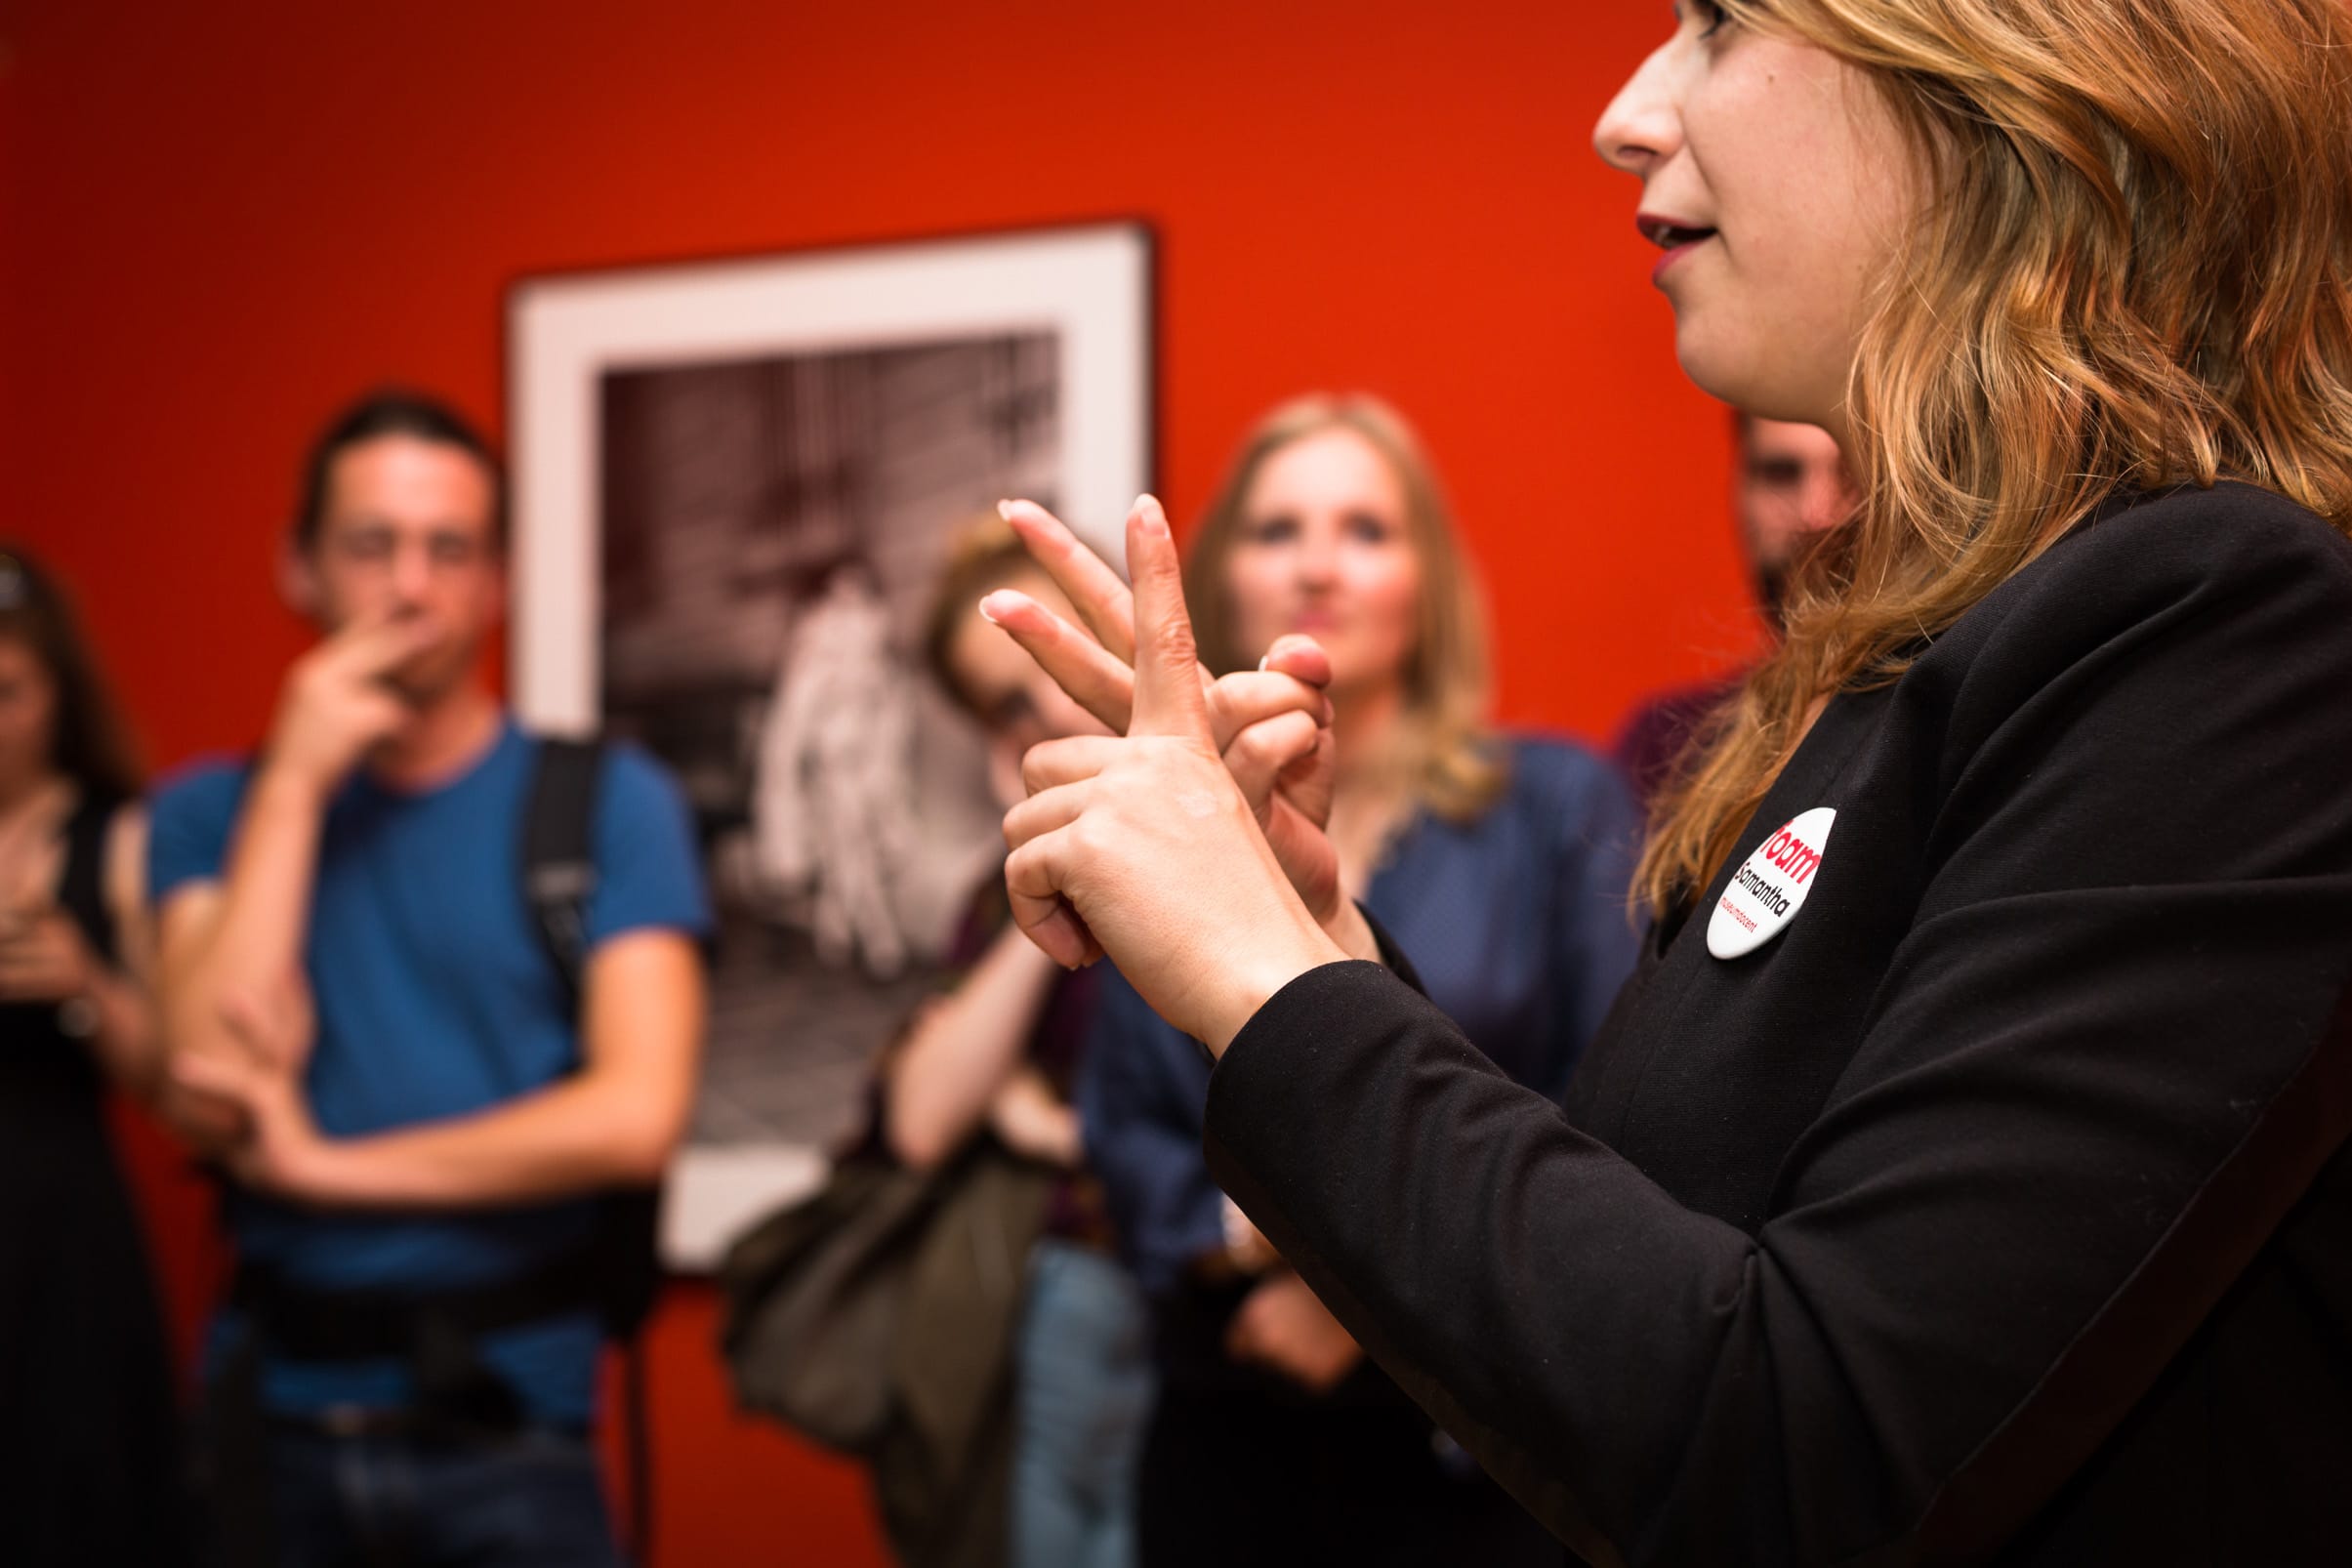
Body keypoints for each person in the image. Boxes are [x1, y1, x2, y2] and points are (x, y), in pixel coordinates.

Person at [979, 0, 2352, 1561]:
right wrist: (1321, 949)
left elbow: (1798, 1450)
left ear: (2005, 82)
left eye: (1718, 22)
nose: (1626, 111)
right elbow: (1638, 1282)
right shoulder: (1909, 657)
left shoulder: (2214, 620)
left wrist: (1259, 975)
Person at [1075, 395, 1639, 1566]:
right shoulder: (1164, 823)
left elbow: (1615, 1099)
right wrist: (1257, 1241)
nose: (1318, 565)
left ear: (1427, 577)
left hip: (1483, 1437)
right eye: (1279, 528)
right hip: (1224, 1428)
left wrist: (1361, 1310)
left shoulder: (1553, 806)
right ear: (1224, 572)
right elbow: (1128, 1129)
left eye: (1367, 530)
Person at [151, 390, 711, 1566]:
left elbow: (633, 1117)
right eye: (371, 545)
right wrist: (297, 785)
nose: (411, 586)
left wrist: (324, 1169)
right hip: (272, 1420)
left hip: (514, 1422)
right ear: (298, 567)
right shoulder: (210, 814)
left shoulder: (606, 800)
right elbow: (204, 1085)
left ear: (495, 581)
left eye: (448, 549)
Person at [0, 547, 186, 1566]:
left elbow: (170, 1081)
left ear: (55, 694)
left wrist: (84, 985)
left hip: (58, 1231)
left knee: (69, 1498)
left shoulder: (118, 833)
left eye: (6, 693)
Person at [1611, 412, 1854, 805]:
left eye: (1851, 473)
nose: (1816, 515)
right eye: (1780, 473)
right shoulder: (1666, 750)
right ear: (1738, 491)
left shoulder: (1951, 734)